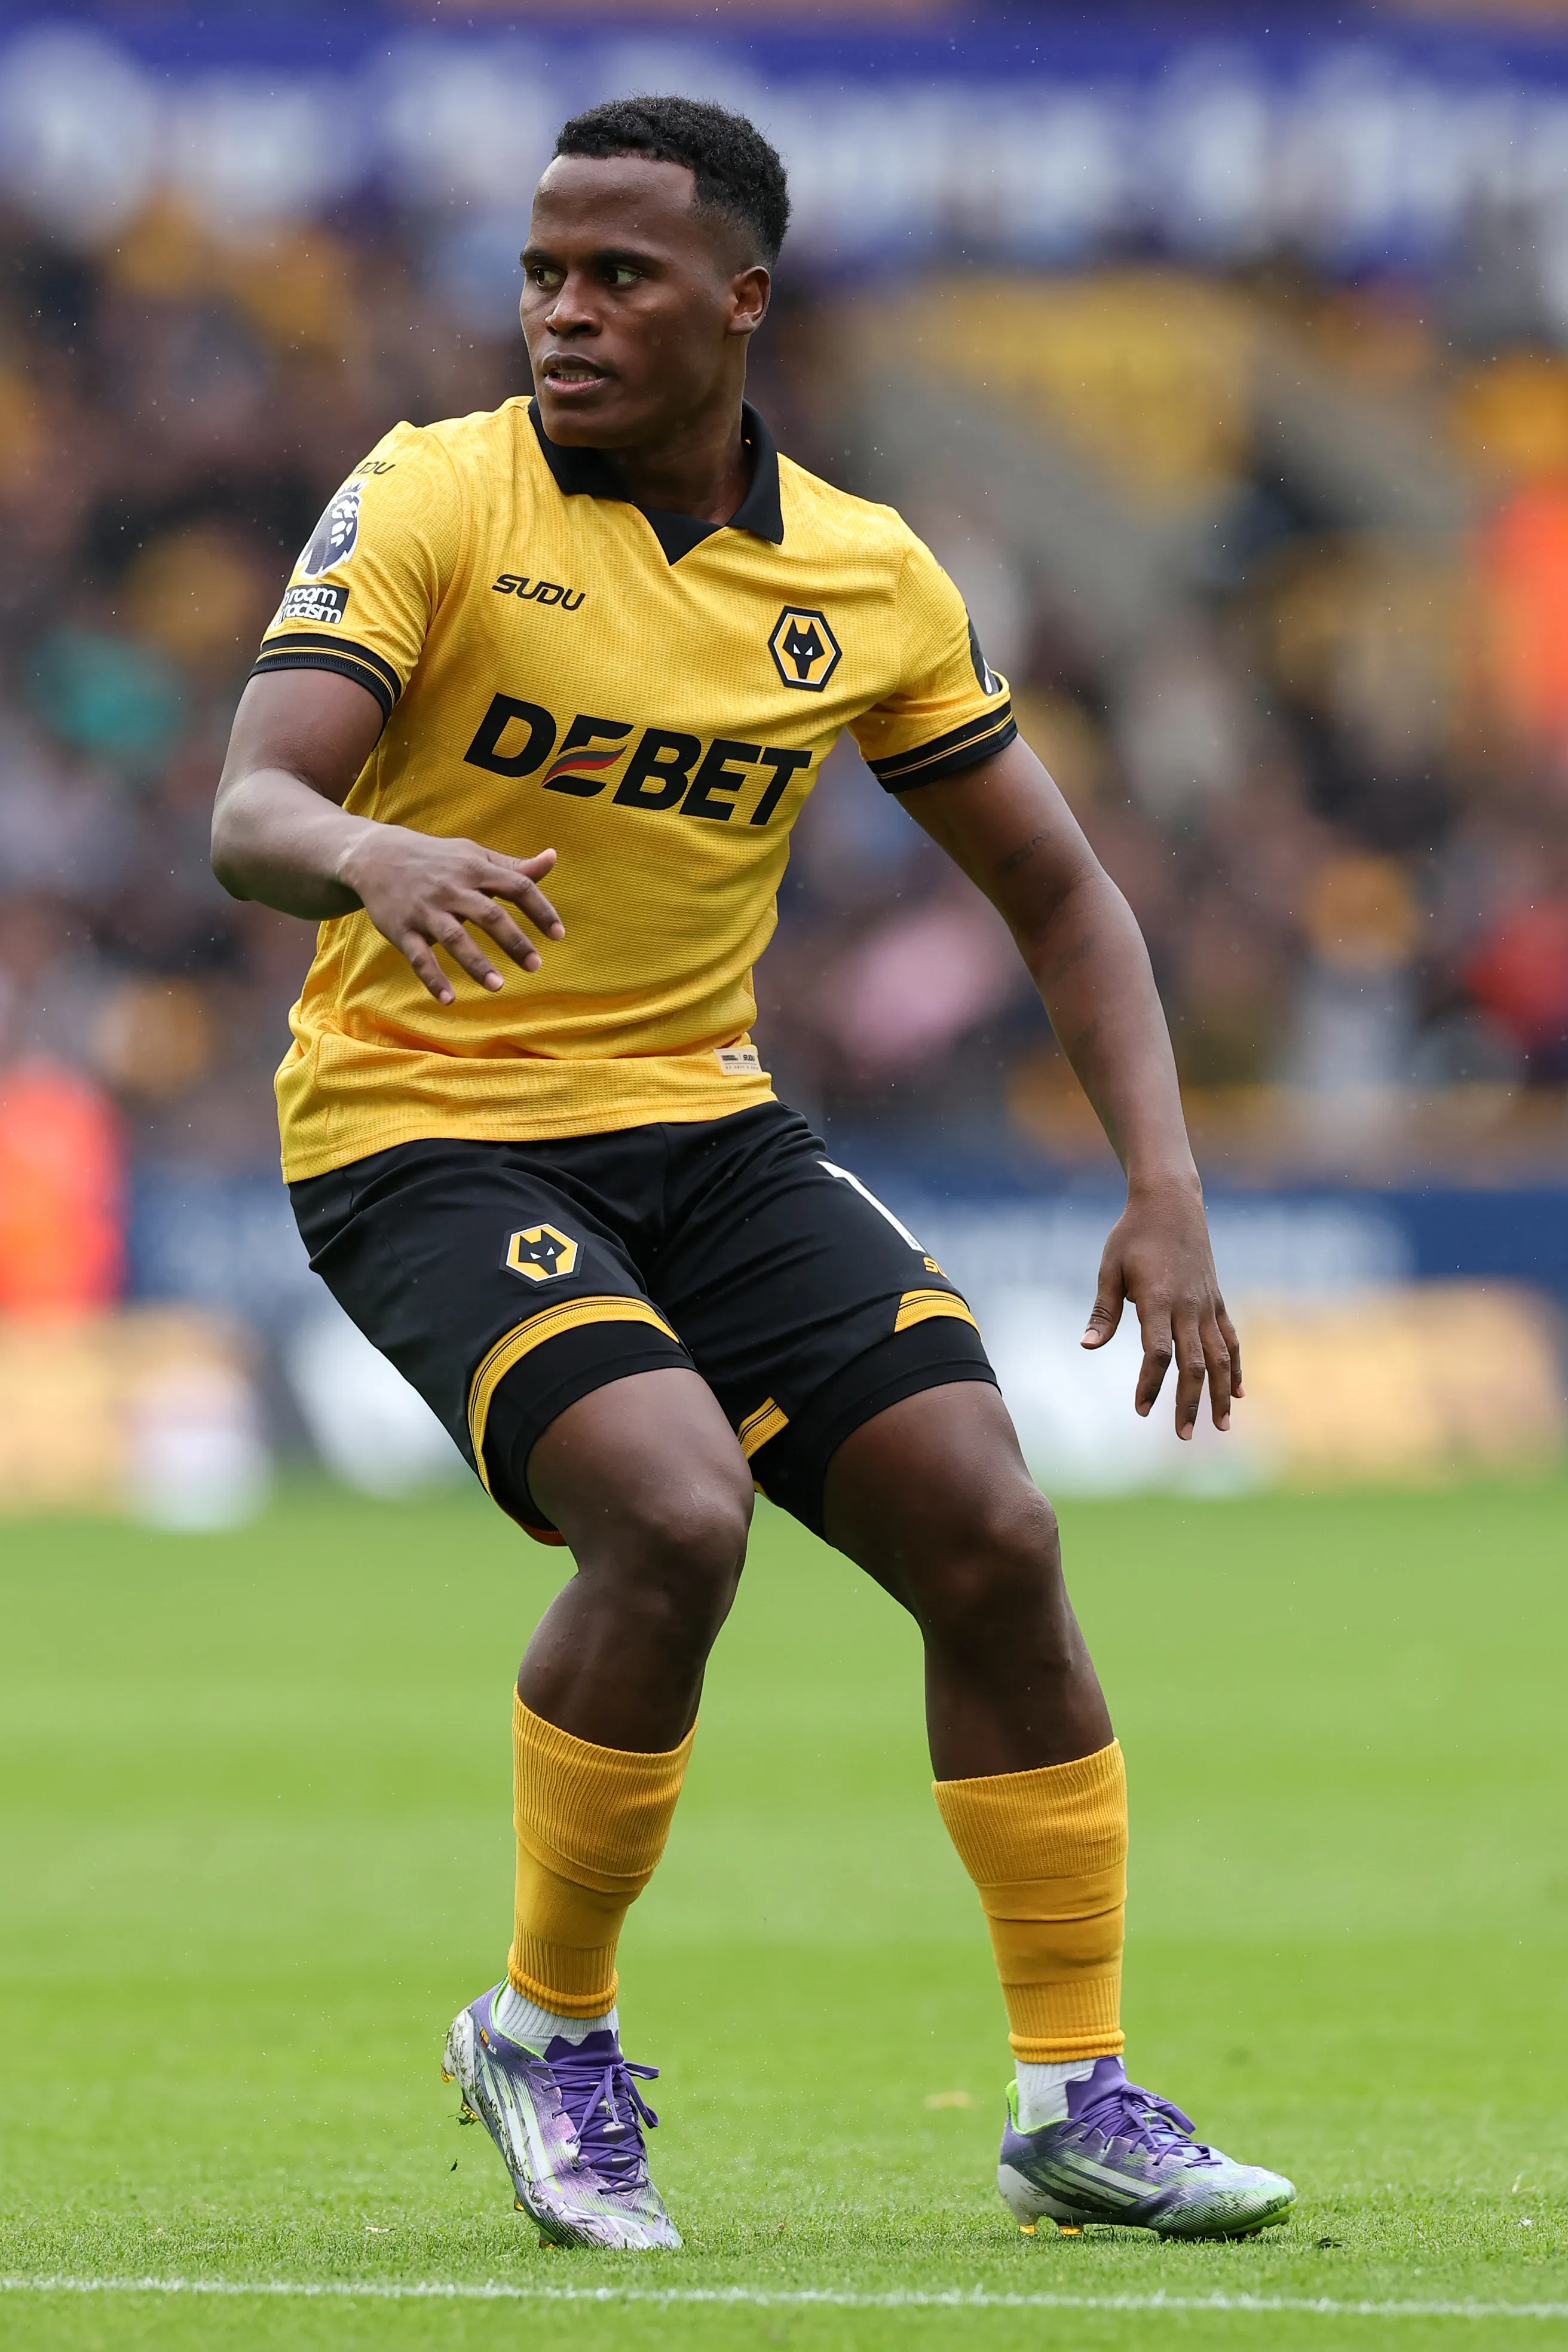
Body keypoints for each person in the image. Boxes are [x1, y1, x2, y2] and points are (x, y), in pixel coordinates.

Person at [212, 96, 1294, 2252]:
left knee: (992, 1532)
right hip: (421, 1121)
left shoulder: (865, 576)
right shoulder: (434, 493)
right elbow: (250, 803)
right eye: (541, 272)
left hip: (701, 1120)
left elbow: (1064, 895)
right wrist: (368, 849)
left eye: (618, 275)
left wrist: (1166, 1185)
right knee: (677, 1509)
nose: (565, 314)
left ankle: (1074, 2091)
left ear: (743, 301)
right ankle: (545, 2030)